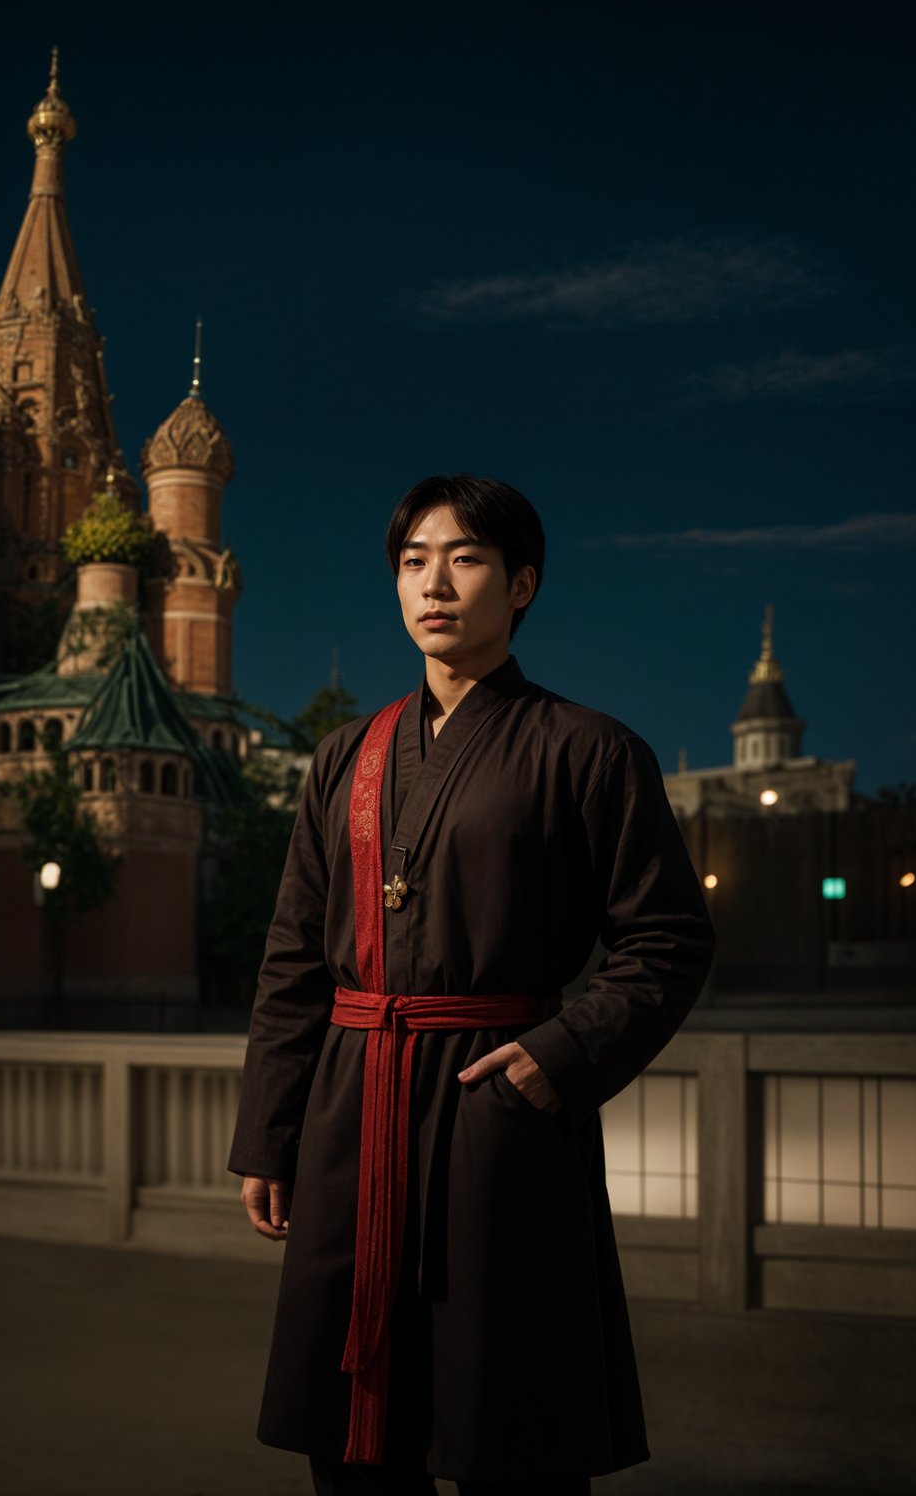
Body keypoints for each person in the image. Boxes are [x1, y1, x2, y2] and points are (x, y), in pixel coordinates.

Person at [228, 475, 715, 1496]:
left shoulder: (589, 751)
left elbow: (664, 940)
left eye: (465, 558)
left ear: (521, 582)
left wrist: (559, 1055)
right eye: (412, 561)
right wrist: (270, 1134)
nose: (433, 583)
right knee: (351, 1428)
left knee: (511, 1416)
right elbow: (292, 963)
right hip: (351, 1112)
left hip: (496, 1106)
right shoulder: (343, 761)